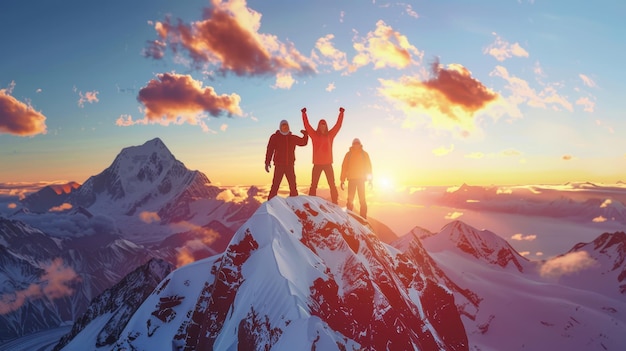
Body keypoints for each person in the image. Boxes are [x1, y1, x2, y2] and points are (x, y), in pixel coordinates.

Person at [301, 106, 344, 204]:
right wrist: (304, 114)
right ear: (319, 126)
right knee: (313, 185)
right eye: (321, 124)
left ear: (326, 126)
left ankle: (335, 202)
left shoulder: (330, 135)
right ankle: (311, 203)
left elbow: (338, 125)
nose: (322, 126)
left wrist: (341, 113)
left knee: (332, 184)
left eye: (324, 124)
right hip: (317, 164)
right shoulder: (314, 135)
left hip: (328, 164)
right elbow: (306, 125)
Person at [265, 119, 308, 200]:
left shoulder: (292, 137)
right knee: (275, 185)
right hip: (279, 165)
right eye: (283, 126)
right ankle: (270, 204)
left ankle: (294, 203)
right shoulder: (275, 137)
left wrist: (305, 135)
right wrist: (267, 162)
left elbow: (303, 142)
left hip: (290, 165)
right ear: (280, 127)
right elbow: (270, 150)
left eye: (286, 126)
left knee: (293, 186)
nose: (285, 127)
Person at [340, 138, 372, 218]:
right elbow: (344, 167)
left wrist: (370, 179)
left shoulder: (364, 154)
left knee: (362, 200)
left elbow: (369, 167)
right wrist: (342, 180)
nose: (356, 145)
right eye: (355, 143)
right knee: (350, 200)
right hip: (352, 179)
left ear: (360, 144)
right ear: (352, 144)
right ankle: (349, 216)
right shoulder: (348, 154)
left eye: (357, 143)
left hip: (361, 179)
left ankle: (363, 218)